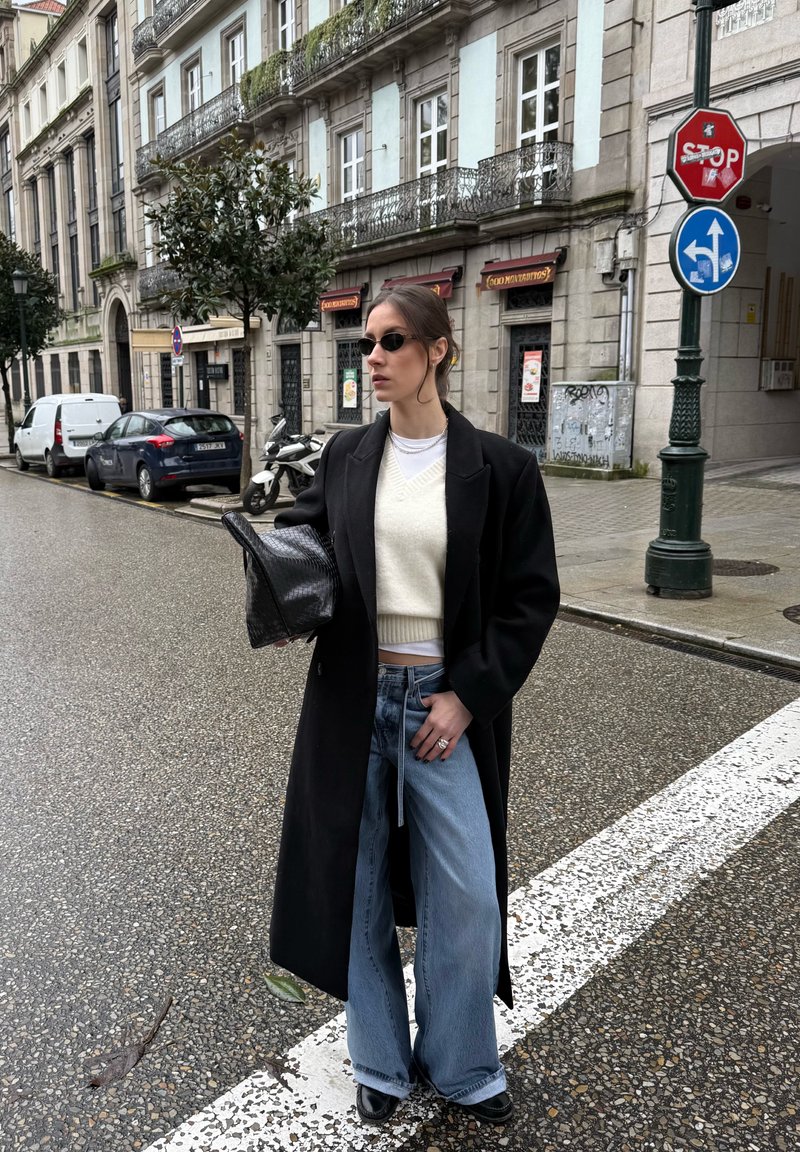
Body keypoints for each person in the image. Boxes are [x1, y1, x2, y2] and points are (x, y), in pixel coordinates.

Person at [269, 284, 560, 1127]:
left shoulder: (502, 469)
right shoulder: (350, 455)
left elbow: (528, 599)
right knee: (354, 885)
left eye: (391, 342)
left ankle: (463, 1062)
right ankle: (381, 1064)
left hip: (441, 704)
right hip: (354, 698)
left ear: (438, 350)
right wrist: (287, 600)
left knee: (466, 891)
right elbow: (307, 539)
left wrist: (467, 697)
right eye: (367, 344)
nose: (374, 358)